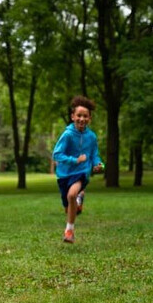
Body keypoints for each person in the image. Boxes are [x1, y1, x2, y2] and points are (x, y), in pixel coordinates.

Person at [52, 96, 103, 243]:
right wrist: (74, 160)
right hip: (64, 174)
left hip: (81, 173)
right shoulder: (67, 135)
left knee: (71, 195)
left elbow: (94, 155)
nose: (82, 119)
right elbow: (57, 154)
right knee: (69, 207)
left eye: (85, 116)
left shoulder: (91, 137)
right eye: (79, 115)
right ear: (72, 116)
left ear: (90, 118)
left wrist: (98, 164)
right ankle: (79, 200)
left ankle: (69, 232)